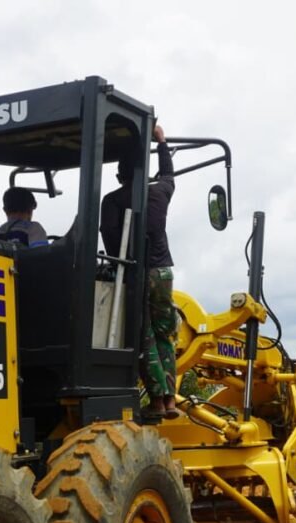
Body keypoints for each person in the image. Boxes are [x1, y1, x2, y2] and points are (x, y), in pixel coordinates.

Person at [100, 124, 180, 420]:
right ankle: (171, 400)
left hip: (138, 272)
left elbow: (109, 238)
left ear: (120, 176)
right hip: (164, 273)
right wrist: (162, 142)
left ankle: (157, 401)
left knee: (143, 335)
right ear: (145, 174)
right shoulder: (161, 192)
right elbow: (168, 175)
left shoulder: (113, 200)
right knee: (165, 334)